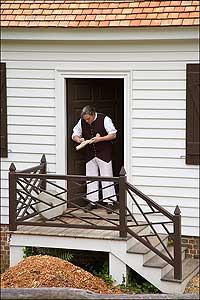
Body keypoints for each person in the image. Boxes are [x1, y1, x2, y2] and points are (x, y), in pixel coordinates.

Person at [72, 105, 117, 214]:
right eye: (85, 119)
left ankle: (110, 202)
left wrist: (100, 139)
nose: (86, 121)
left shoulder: (105, 119)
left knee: (107, 177)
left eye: (88, 118)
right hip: (90, 154)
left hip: (104, 153)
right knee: (91, 179)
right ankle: (92, 202)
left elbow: (113, 134)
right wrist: (79, 139)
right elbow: (75, 134)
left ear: (93, 114)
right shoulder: (82, 121)